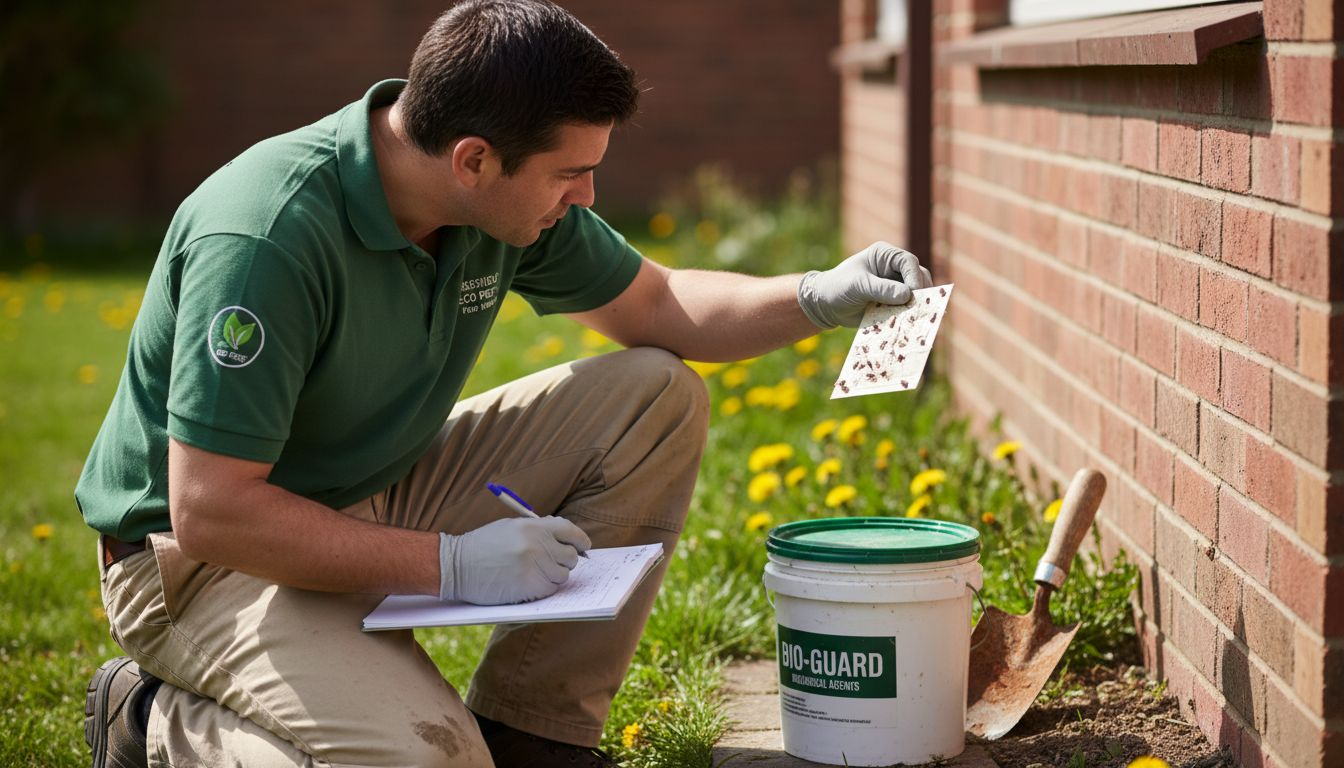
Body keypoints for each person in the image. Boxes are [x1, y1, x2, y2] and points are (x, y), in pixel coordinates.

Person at [77, 1, 932, 766]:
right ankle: (150, 718)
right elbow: (213, 509)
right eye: (569, 173)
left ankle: (535, 733)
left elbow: (661, 303)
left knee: (656, 395)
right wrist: (450, 565)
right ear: (474, 160)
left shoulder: (498, 206)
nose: (587, 194)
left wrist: (823, 295)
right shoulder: (265, 237)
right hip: (204, 564)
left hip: (368, 493)